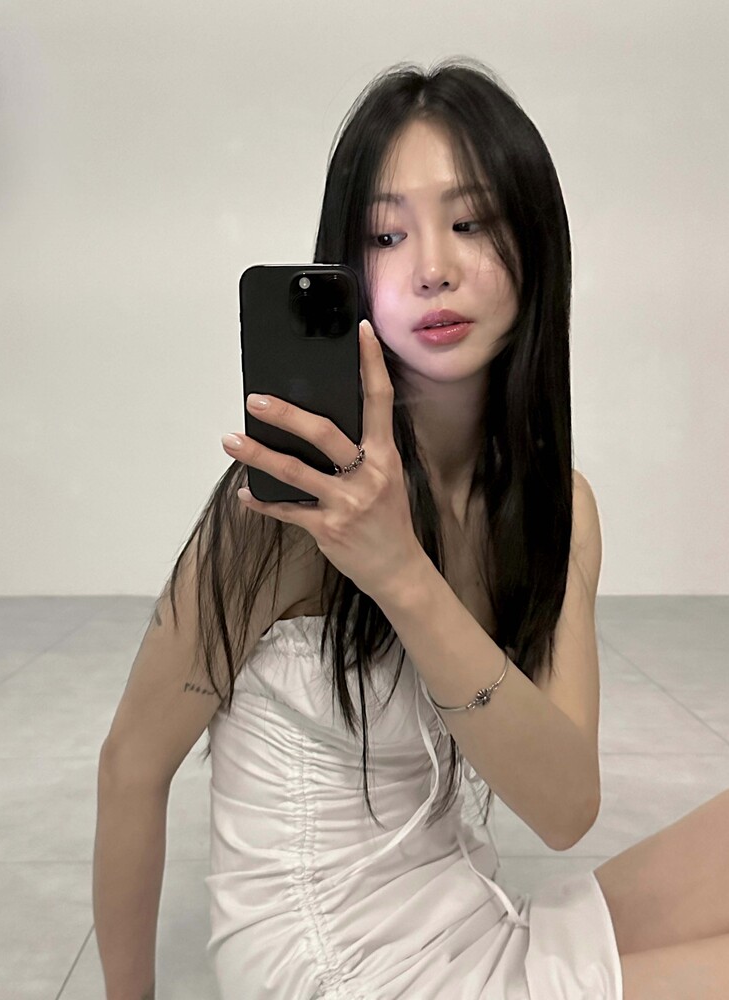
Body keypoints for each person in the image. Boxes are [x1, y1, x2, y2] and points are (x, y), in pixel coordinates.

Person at [94, 58, 729, 1000]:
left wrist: (404, 574)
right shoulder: (288, 505)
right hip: (328, 968)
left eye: (471, 223)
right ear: (347, 273)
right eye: (387, 235)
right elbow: (131, 769)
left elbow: (564, 808)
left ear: (536, 245)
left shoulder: (557, 505)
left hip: (464, 913)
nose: (433, 267)